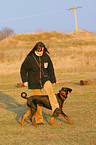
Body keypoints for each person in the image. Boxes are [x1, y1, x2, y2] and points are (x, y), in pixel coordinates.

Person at [20, 42, 61, 125]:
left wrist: (53, 80)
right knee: (37, 101)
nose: (41, 53)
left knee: (51, 91)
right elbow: (23, 69)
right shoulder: (30, 58)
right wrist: (25, 81)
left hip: (45, 79)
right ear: (35, 49)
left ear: (44, 49)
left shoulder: (46, 56)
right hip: (33, 81)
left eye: (42, 51)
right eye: (39, 52)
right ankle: (39, 120)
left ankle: (56, 109)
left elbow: (50, 69)